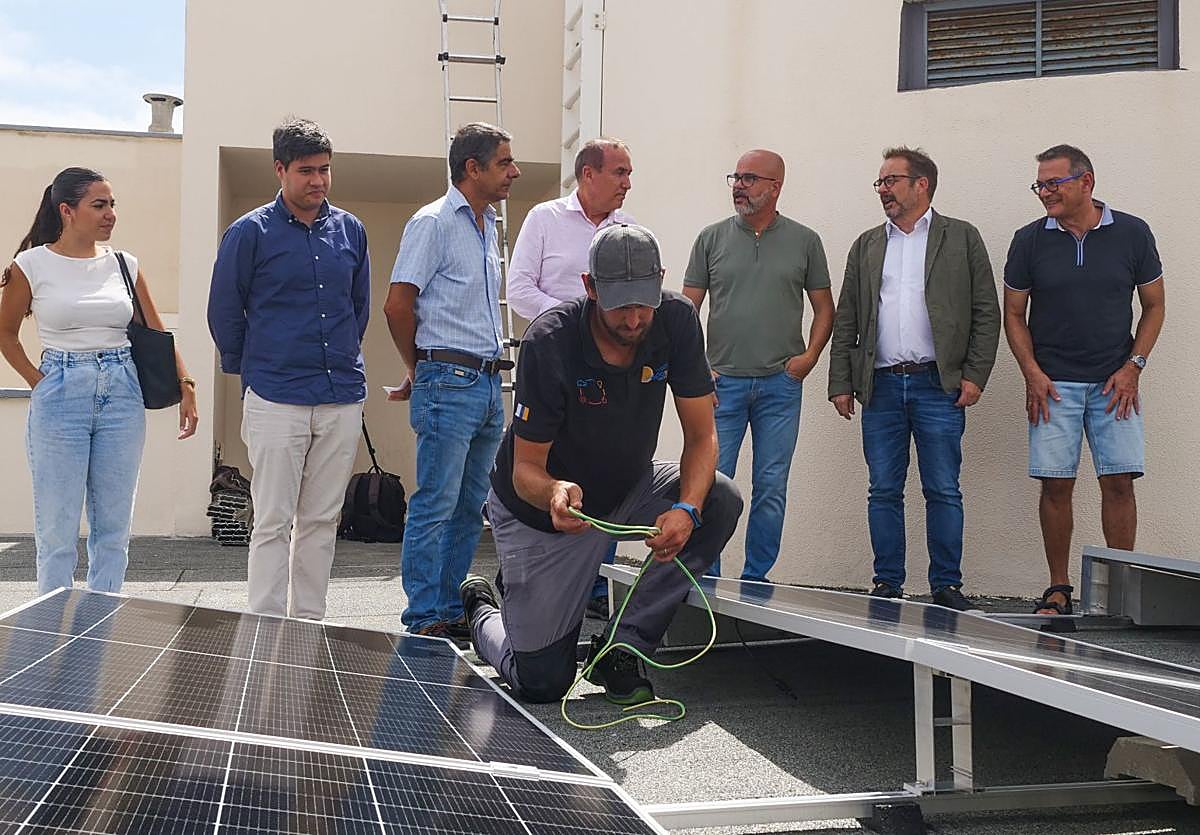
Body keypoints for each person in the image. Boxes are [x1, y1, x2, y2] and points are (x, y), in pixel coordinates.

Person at [458, 223, 743, 705]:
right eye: (620, 306)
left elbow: (702, 435)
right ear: (590, 288)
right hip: (544, 510)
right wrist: (553, 493)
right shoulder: (549, 341)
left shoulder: (676, 319)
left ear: (661, 281)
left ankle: (622, 648)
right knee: (542, 681)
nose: (634, 318)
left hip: (628, 488)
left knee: (719, 498)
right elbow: (525, 468)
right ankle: (484, 615)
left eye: (643, 302)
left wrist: (686, 510)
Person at [0, 167, 198, 595]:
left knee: (113, 527)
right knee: (57, 528)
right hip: (60, 390)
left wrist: (187, 385)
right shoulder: (30, 265)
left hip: (122, 390)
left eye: (112, 204)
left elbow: (158, 331)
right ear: (67, 210)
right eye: (99, 205)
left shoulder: (124, 264)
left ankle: (102, 618)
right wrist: (39, 381)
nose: (110, 214)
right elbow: (5, 332)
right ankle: (51, 623)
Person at [208, 118, 369, 620]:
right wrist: (251, 372)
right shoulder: (248, 233)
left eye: (324, 170)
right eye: (306, 171)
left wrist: (341, 360)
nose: (318, 181)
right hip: (276, 395)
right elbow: (223, 312)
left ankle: (307, 625)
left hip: (340, 394)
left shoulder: (351, 230)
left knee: (322, 519)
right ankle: (264, 626)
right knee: (273, 519)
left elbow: (356, 308)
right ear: (280, 170)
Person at [828, 147, 999, 612]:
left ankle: (946, 585)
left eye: (891, 181)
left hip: (937, 384)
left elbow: (987, 311)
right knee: (883, 488)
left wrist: (976, 374)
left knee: (942, 488)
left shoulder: (960, 237)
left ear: (921, 184)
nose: (882, 190)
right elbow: (848, 318)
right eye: (880, 183)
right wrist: (841, 381)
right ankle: (887, 584)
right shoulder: (866, 244)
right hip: (881, 385)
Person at [1003, 144, 1165, 617]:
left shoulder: (1133, 233)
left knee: (1119, 483)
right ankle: (1058, 588)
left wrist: (1134, 366)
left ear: (1086, 182)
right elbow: (1015, 313)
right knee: (1056, 486)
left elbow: (1154, 305)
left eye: (1053, 183)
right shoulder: (1029, 240)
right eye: (1040, 184)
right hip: (1053, 386)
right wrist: (1031, 373)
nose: (1044, 193)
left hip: (1116, 384)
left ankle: (1121, 593)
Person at [383, 122, 519, 641]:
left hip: (485, 383)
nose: (515, 171)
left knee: (469, 506)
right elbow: (398, 304)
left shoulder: (487, 228)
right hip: (451, 379)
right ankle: (423, 615)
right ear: (473, 168)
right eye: (504, 163)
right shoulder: (433, 223)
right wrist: (421, 368)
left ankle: (446, 605)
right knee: (436, 501)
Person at [683, 149, 834, 582]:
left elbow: (824, 308)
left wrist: (807, 360)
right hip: (720, 385)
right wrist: (696, 368)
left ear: (775, 187)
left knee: (771, 486)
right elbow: (686, 308)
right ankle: (704, 578)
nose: (738, 185)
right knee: (712, 484)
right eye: (736, 176)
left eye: (749, 178)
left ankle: (755, 579)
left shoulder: (805, 241)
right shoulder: (710, 238)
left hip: (779, 388)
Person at [506, 136, 635, 615]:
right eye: (619, 172)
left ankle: (596, 587)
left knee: (606, 471)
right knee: (542, 468)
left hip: (611, 375)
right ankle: (538, 578)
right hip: (553, 368)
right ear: (588, 174)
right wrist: (572, 325)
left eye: (628, 174)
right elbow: (518, 290)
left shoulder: (631, 232)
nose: (627, 183)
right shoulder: (544, 219)